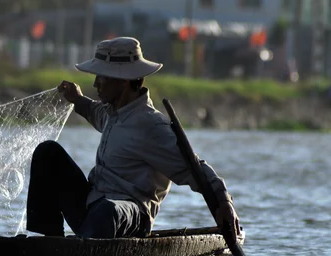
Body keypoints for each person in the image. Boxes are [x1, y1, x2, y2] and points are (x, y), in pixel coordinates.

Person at [25, 36, 240, 241]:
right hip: (93, 206)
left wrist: (223, 201)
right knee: (47, 153)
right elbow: (95, 112)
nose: (96, 83)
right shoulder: (112, 113)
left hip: (129, 215)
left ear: (124, 81)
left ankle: (83, 252)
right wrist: (77, 99)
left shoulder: (151, 125)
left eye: (102, 77)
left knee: (108, 209)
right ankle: (50, 241)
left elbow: (193, 168)